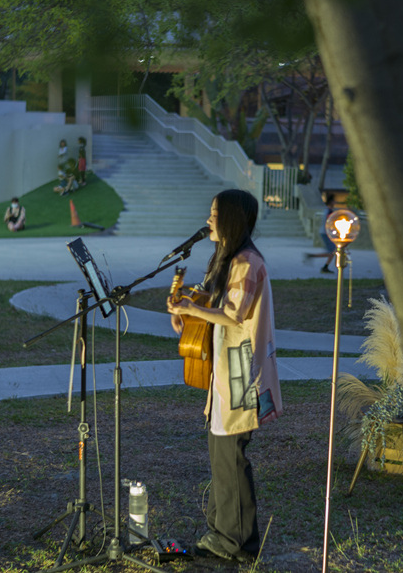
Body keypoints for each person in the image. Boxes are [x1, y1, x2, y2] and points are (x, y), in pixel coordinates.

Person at [166, 189, 284, 562]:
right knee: (221, 452)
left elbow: (234, 314)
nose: (208, 220)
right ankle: (222, 532)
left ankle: (239, 543)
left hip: (241, 372)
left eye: (214, 214)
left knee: (231, 455)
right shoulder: (227, 260)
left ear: (232, 218)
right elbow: (208, 307)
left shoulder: (247, 263)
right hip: (225, 370)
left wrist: (193, 309)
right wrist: (184, 310)